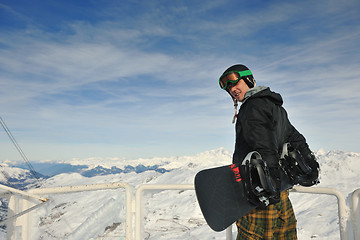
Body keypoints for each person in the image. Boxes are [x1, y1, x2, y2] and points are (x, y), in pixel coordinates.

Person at [218, 64, 320, 239]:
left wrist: (269, 182)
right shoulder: (274, 106)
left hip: (260, 195)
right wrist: (310, 163)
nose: (233, 90)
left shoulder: (251, 107)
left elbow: (263, 144)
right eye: (229, 88)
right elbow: (295, 138)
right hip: (281, 194)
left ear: (249, 79)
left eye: (236, 84)